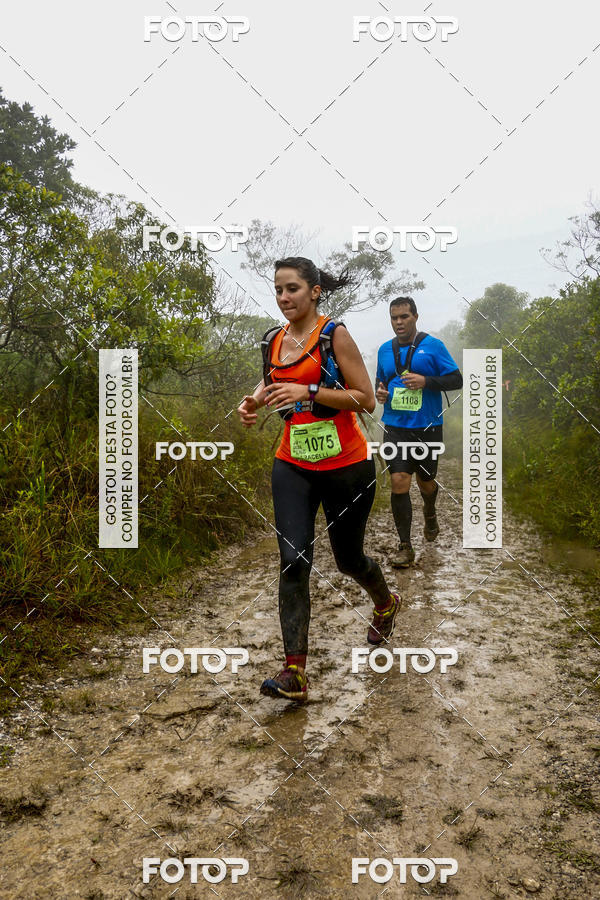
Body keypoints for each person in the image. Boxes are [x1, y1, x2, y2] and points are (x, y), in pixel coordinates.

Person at [237, 257, 401, 702]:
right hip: (293, 464)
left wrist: (308, 391)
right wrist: (253, 402)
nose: (283, 297)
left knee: (349, 560)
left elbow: (365, 399)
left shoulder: (334, 335)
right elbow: (274, 381)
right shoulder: (274, 340)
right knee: (293, 560)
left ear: (314, 291)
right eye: (278, 289)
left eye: (292, 288)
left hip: (347, 466)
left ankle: (385, 603)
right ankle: (295, 672)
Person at [375, 297, 462, 567]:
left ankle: (430, 511)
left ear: (415, 316)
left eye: (404, 316)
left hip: (427, 427)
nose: (399, 322)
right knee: (399, 480)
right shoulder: (384, 350)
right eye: (394, 318)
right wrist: (380, 392)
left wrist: (426, 381)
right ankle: (405, 546)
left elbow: (456, 379)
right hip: (395, 427)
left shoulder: (433, 346)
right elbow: (381, 380)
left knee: (426, 481)